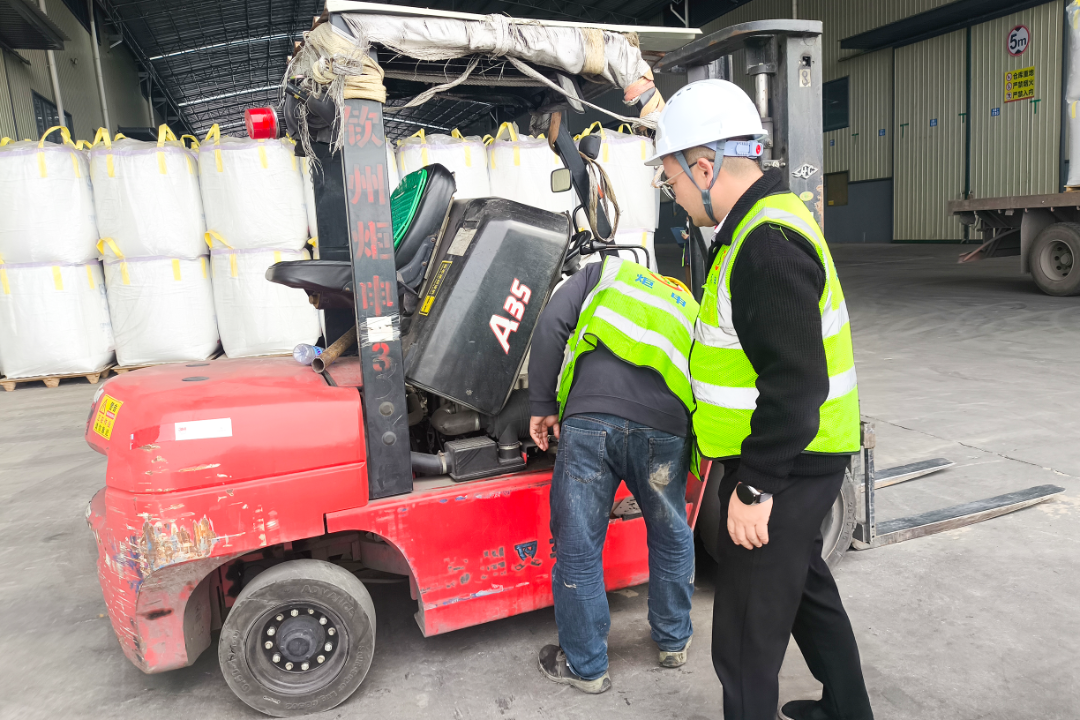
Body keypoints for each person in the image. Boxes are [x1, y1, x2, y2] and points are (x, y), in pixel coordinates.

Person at [645, 78, 874, 720]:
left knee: (744, 639)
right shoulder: (759, 225)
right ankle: (847, 710)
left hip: (786, 462)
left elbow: (796, 385)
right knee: (806, 592)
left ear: (704, 166)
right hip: (797, 456)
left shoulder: (765, 245)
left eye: (671, 179)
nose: (672, 195)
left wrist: (754, 488)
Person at [529, 253, 699, 694]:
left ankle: (586, 667)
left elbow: (551, 324)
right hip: (664, 429)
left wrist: (543, 404)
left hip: (591, 420)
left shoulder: (606, 271)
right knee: (671, 532)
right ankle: (673, 641)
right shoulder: (689, 304)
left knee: (579, 544)